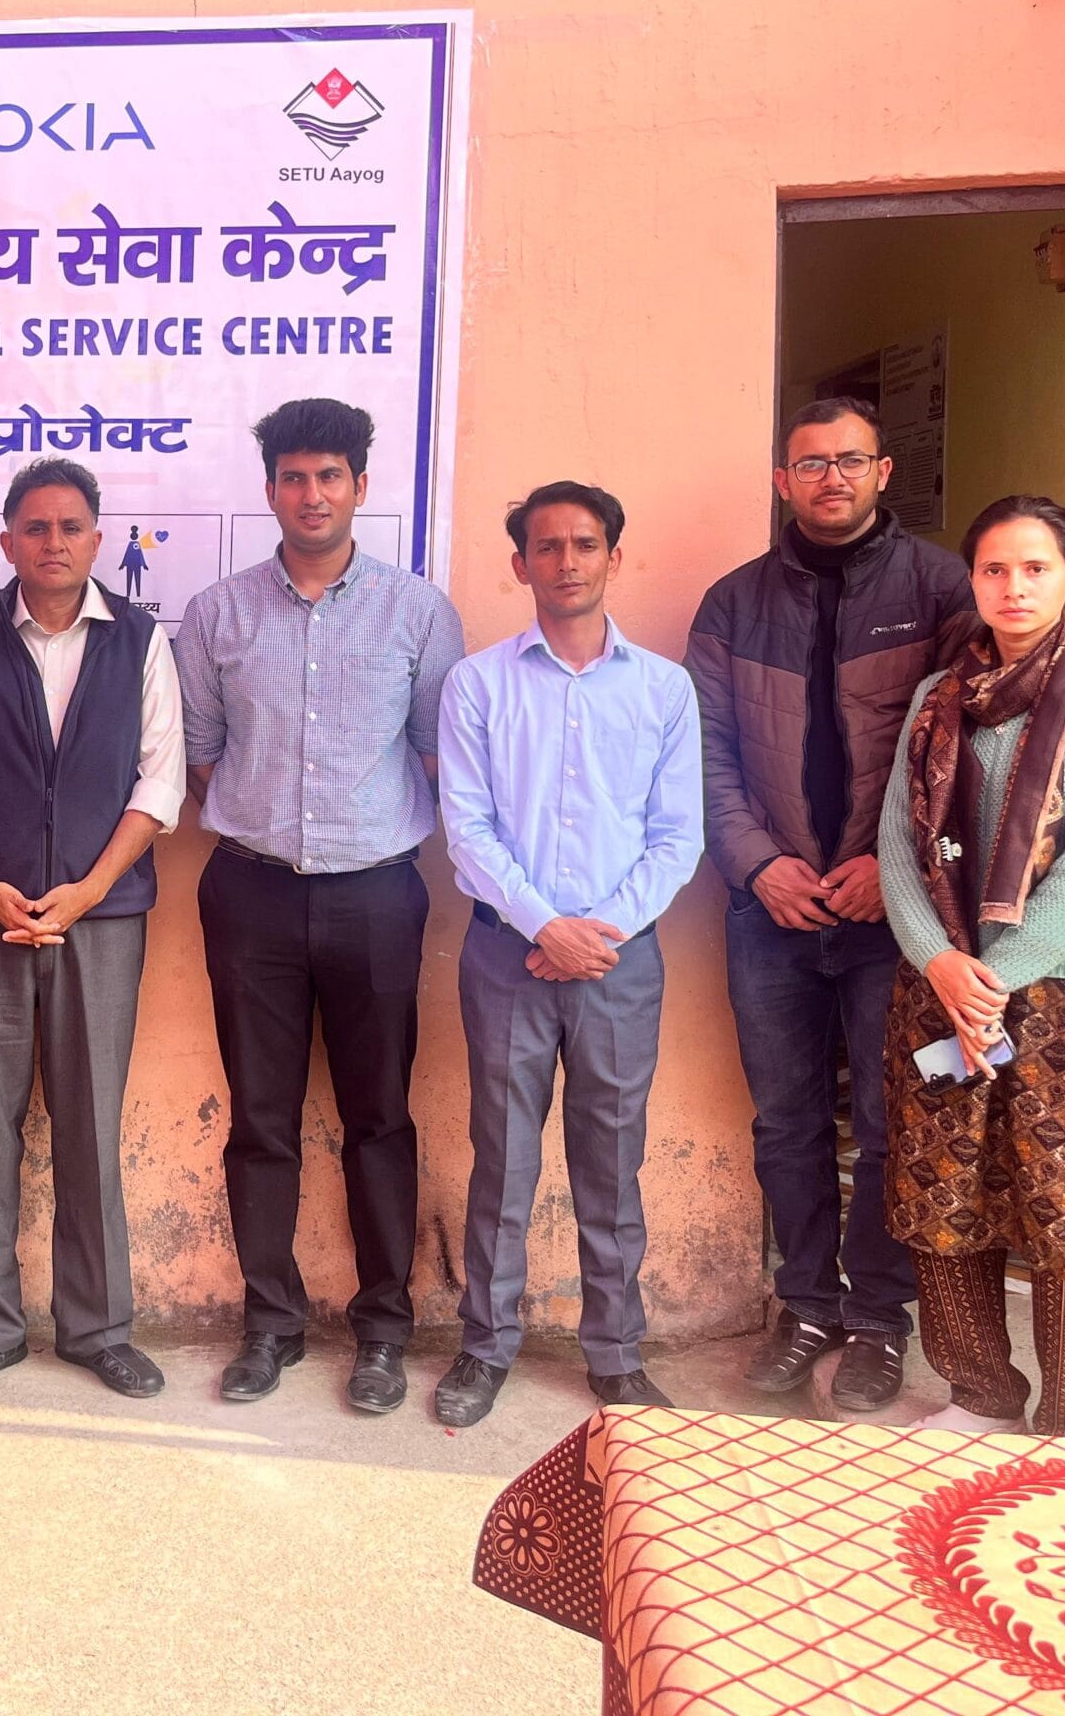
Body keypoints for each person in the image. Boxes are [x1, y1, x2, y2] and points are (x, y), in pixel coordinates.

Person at [175, 398, 465, 1411]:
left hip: (378, 894)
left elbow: (438, 754)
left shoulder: (417, 613)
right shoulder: (216, 614)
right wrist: (271, 825)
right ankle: (271, 1324)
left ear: (360, 487)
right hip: (249, 892)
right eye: (293, 477)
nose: (311, 495)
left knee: (378, 1116)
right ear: (269, 491)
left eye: (329, 476)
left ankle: (382, 1330)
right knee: (260, 1120)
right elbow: (200, 756)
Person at [689, 397, 974, 1410]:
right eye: (810, 464)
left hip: (889, 917)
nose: (831, 478)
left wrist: (885, 870)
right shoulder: (733, 603)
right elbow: (705, 752)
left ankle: (878, 1321)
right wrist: (756, 864)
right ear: (783, 480)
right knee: (787, 1123)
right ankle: (806, 1305)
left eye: (850, 460)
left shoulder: (940, 587)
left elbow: (957, 753)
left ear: (882, 472)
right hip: (768, 911)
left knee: (892, 1125)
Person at [877, 495, 1065, 1438]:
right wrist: (940, 963)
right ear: (973, 580)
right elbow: (897, 847)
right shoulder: (938, 697)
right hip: (942, 992)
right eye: (995, 569)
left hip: (1061, 999)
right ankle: (981, 1398)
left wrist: (988, 976)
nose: (1015, 587)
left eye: (1037, 568)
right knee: (942, 1200)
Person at [0, 458, 187, 1404]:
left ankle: (98, 1328)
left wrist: (89, 890)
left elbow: (161, 777)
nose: (54, 542)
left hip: (99, 921)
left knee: (90, 1122)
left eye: (72, 527)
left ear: (98, 540)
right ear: (7, 542)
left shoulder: (140, 640)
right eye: (35, 527)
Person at [434, 482, 702, 1427]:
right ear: (520, 566)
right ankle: (484, 1347)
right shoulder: (477, 683)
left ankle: (616, 1356)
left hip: (620, 962)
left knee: (612, 1161)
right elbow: (466, 827)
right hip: (508, 956)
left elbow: (677, 836)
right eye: (546, 547)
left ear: (614, 558)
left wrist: (596, 934)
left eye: (585, 544)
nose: (567, 561)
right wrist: (545, 926)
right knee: (502, 1161)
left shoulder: (663, 689)